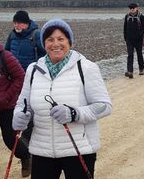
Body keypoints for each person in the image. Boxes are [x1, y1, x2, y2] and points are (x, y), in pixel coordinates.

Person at [12, 19, 113, 179]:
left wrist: (74, 113)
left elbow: (104, 106)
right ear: (44, 43)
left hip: (79, 149)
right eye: (50, 39)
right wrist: (18, 117)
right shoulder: (33, 70)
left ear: (69, 42)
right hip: (42, 149)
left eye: (61, 39)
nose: (55, 44)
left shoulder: (86, 68)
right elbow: (22, 105)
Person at [0, 43, 31, 177]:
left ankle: (26, 156)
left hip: (6, 107)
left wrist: (6, 98)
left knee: (10, 139)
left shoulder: (5, 57)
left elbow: (21, 77)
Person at [123, 3, 144, 78]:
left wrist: (141, 34)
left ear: (137, 8)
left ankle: (141, 69)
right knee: (130, 55)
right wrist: (125, 37)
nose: (132, 9)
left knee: (139, 54)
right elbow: (125, 27)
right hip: (129, 39)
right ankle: (130, 71)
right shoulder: (127, 16)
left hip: (138, 39)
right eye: (131, 8)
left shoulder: (141, 16)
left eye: (133, 8)